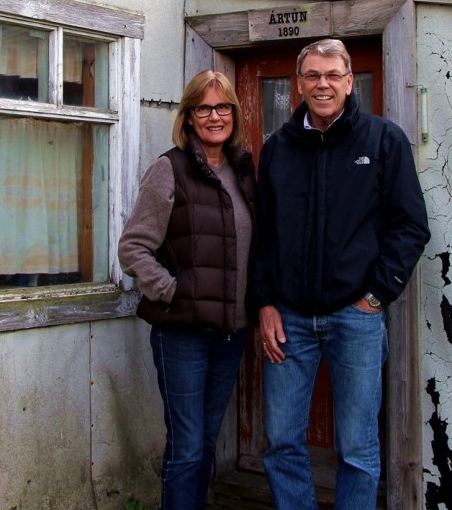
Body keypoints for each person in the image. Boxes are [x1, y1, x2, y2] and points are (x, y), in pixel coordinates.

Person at [252, 39, 430, 510]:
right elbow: (262, 235)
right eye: (313, 75)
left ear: (350, 82)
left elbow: (410, 227)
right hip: (287, 321)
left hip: (357, 319)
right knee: (282, 443)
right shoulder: (277, 150)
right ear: (300, 83)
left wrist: (375, 297)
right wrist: (265, 303)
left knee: (356, 449)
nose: (323, 84)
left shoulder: (382, 140)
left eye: (333, 75)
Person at [118, 70, 256, 510]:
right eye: (203, 108)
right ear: (189, 116)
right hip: (182, 335)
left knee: (207, 443)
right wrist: (172, 291)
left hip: (230, 333)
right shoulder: (168, 169)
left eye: (222, 107)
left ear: (233, 113)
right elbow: (133, 248)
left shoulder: (241, 171)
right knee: (186, 446)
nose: (214, 116)